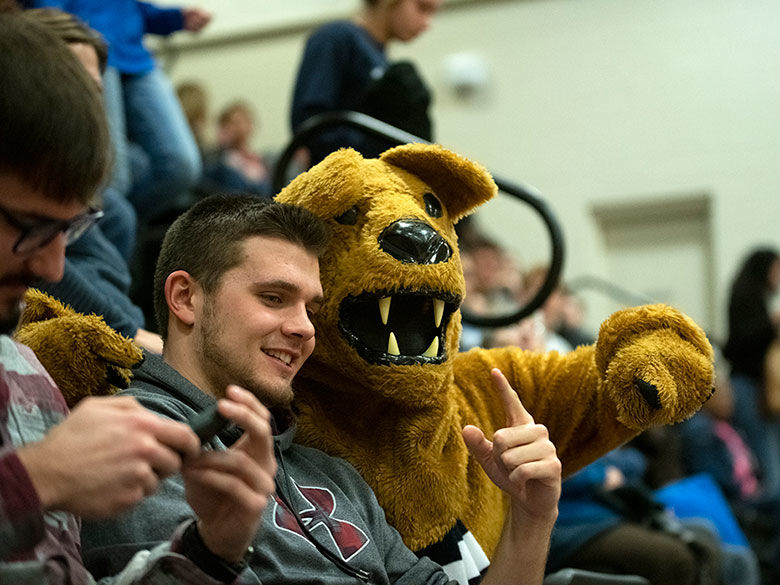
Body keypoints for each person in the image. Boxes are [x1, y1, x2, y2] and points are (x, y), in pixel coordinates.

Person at [81, 194, 562, 585]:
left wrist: (532, 517)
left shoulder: (330, 473)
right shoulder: (137, 439)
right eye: (274, 298)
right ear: (185, 298)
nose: (304, 329)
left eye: (311, 308)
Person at [0, 13, 275, 584]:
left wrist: (208, 551)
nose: (53, 266)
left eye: (69, 231)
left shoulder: (23, 370)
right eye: (30, 226)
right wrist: (35, 482)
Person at [19, 6, 162, 353]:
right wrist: (129, 333)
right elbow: (46, 275)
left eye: (94, 92)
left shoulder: (102, 202)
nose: (85, 107)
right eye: (70, 88)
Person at [25, 0, 211, 226]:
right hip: (91, 47)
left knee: (182, 166)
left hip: (136, 56)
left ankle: (111, 229)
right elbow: (46, 10)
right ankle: (106, 236)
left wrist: (176, 18)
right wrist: (70, 38)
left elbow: (127, 8)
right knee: (114, 179)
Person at [290, 0, 442, 166]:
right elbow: (311, 124)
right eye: (422, 7)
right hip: (343, 179)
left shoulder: (380, 56)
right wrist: (383, 148)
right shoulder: (336, 37)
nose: (427, 23)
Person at [722, 248, 780, 502]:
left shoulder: (756, 297)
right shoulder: (745, 296)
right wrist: (772, 325)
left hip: (760, 389)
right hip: (749, 388)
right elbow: (738, 346)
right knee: (765, 460)